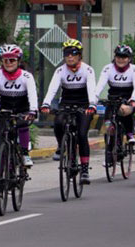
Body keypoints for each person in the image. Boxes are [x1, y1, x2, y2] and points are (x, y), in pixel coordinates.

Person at [0, 44, 39, 198]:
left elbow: (33, 95)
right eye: (5, 60)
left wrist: (33, 111)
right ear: (1, 61)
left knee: (22, 124)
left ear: (18, 61)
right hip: (4, 110)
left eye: (12, 60)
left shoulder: (26, 77)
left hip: (22, 109)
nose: (9, 63)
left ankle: (24, 153)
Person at [41, 38, 98, 186]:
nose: (70, 57)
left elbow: (92, 89)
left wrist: (92, 105)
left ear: (79, 55)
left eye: (73, 54)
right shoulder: (60, 71)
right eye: (67, 54)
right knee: (59, 122)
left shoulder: (88, 70)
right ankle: (62, 146)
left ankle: (84, 170)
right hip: (66, 103)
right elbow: (52, 89)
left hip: (84, 105)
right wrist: (46, 103)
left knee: (81, 134)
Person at [95, 44, 135, 146]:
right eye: (118, 57)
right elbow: (99, 86)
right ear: (114, 57)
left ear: (129, 59)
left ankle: (129, 133)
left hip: (128, 99)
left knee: (123, 109)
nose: (121, 59)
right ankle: (111, 151)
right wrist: (94, 99)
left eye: (124, 57)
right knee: (108, 125)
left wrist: (134, 99)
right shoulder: (108, 68)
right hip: (113, 100)